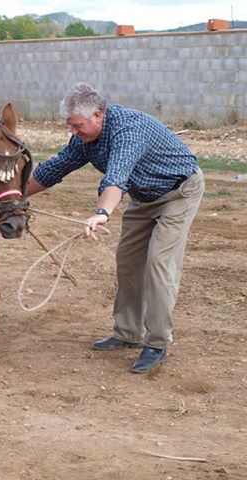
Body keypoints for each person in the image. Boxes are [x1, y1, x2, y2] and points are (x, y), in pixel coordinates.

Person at [26, 83, 204, 374]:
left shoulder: (128, 130)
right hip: (144, 196)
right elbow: (52, 170)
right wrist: (11, 197)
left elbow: (116, 177)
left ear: (98, 115)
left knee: (159, 264)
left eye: (78, 126)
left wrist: (101, 213)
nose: (74, 132)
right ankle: (128, 333)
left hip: (178, 193)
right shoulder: (86, 138)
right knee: (128, 262)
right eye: (71, 126)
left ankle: (157, 343)